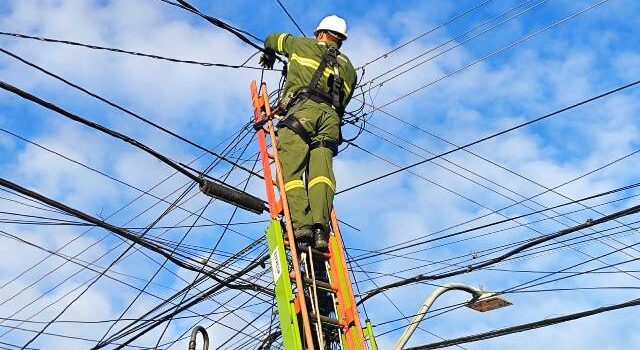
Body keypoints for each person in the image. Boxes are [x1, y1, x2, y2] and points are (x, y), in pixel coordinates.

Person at [259, 15, 357, 251]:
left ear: (321, 34)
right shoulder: (350, 70)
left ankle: (301, 227)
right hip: (331, 121)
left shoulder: (300, 45)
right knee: (321, 176)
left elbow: (272, 39)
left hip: (301, 113)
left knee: (291, 172)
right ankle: (320, 229)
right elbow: (342, 105)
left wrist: (270, 52)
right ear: (340, 40)